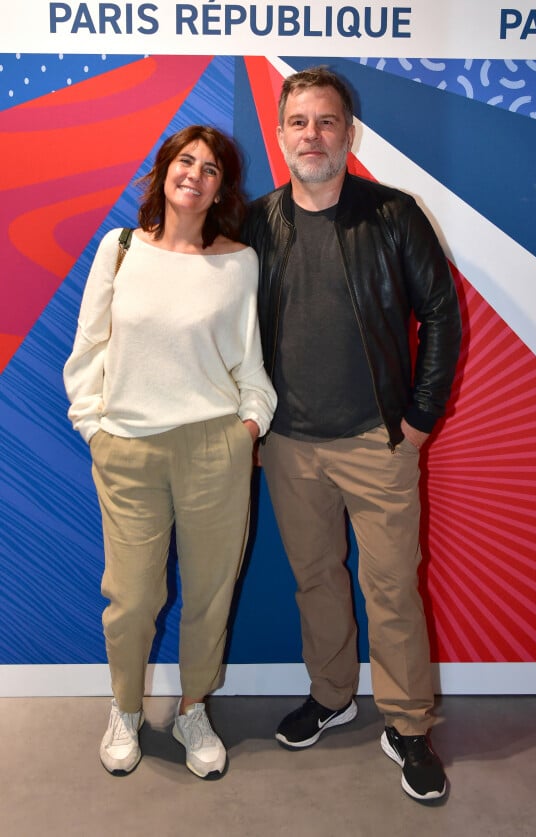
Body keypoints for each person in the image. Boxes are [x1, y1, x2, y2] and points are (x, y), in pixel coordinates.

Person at [242, 68, 462, 802]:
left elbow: (442, 314)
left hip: (378, 439)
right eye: (299, 122)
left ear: (349, 133)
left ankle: (406, 722)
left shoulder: (394, 215)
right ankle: (333, 693)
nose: (313, 135)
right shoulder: (254, 223)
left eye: (326, 121)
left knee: (393, 584)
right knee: (316, 578)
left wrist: (421, 418)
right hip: (290, 444)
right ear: (281, 135)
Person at [63, 125, 277, 779]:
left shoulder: (238, 262)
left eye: (211, 168)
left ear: (221, 189)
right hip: (128, 447)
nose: (195, 174)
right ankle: (124, 708)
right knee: (131, 596)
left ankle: (191, 708)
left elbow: (251, 364)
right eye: (185, 161)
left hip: (216, 445)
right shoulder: (120, 248)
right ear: (164, 172)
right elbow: (88, 351)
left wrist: (248, 426)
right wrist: (94, 426)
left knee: (212, 591)